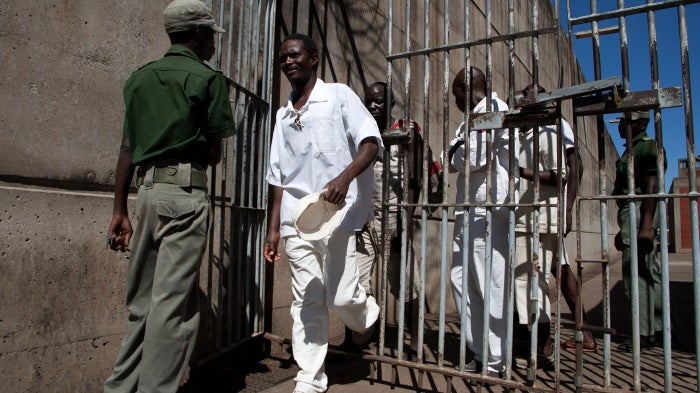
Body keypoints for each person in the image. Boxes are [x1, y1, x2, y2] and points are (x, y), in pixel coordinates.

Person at [104, 1, 235, 392]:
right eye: (210, 34)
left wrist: (119, 210)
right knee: (172, 309)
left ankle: (120, 388)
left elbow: (128, 148)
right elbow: (213, 153)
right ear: (196, 33)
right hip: (184, 194)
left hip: (145, 193)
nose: (213, 43)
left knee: (141, 302)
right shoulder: (207, 79)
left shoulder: (139, 79)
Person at [264, 33, 382, 393]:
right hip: (297, 222)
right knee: (306, 299)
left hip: (338, 218)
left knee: (341, 297)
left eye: (294, 55)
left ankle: (366, 313)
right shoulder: (283, 116)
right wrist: (273, 229)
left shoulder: (339, 96)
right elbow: (277, 176)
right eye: (283, 57)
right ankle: (310, 377)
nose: (287, 62)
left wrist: (345, 178)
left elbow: (371, 142)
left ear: (313, 58)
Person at [338, 82, 443, 358]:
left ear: (390, 104)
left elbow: (419, 173)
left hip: (395, 217)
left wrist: (407, 218)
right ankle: (355, 339)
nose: (372, 106)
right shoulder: (361, 132)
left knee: (405, 284)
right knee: (355, 282)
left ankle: (415, 343)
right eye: (369, 101)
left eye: (379, 101)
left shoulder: (405, 129)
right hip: (363, 219)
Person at [513, 85, 597, 355]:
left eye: (524, 100)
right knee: (555, 271)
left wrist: (568, 208)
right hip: (539, 210)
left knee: (541, 273)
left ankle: (547, 340)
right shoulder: (526, 130)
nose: (519, 105)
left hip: (547, 211)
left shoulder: (554, 125)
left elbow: (574, 167)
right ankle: (578, 332)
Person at [447, 66, 515, 377]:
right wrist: (457, 150)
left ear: (464, 88)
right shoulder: (472, 118)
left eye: (455, 94)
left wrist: (456, 150)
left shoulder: (492, 109)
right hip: (468, 208)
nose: (456, 102)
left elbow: (471, 159)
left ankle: (495, 361)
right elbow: (457, 158)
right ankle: (479, 351)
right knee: (462, 281)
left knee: (490, 283)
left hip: (487, 210)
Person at [612, 110, 665, 352]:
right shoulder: (633, 149)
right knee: (648, 271)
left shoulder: (644, 148)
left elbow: (652, 185)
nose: (622, 125)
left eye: (627, 121)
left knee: (635, 273)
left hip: (639, 210)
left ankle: (643, 333)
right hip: (636, 212)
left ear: (642, 123)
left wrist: (645, 225)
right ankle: (657, 329)